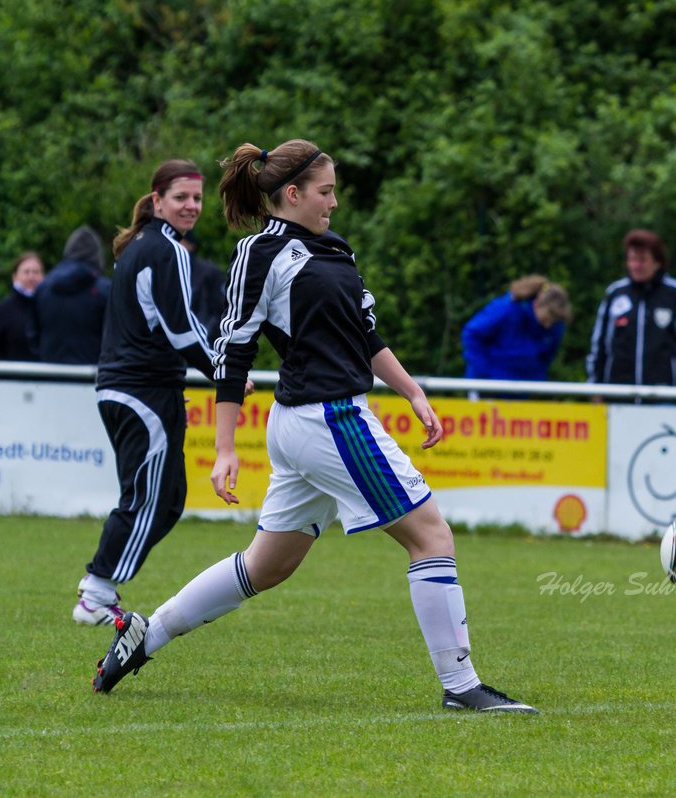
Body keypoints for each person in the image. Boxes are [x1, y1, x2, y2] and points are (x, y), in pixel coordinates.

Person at [90, 139, 538, 714]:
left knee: (265, 566)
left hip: (313, 421)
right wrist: (224, 448)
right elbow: (234, 349)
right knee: (432, 537)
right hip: (328, 418)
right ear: (293, 194)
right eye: (325, 192)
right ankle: (461, 686)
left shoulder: (334, 250)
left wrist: (413, 392)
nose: (333, 203)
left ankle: (145, 636)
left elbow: (367, 334)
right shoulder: (260, 252)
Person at [72, 160, 224, 625]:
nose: (191, 206)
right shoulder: (165, 249)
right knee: (146, 499)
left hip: (129, 389)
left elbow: (177, 324)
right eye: (181, 197)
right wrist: (225, 370)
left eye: (197, 198)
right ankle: (96, 592)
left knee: (169, 497)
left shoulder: (141, 247)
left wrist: (218, 360)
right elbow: (182, 331)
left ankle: (100, 588)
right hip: (142, 391)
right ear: (157, 201)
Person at [586, 229, 676, 388]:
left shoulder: (675, 293)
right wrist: (595, 387)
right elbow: (599, 345)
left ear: (657, 262)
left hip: (664, 396)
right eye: (632, 259)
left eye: (642, 260)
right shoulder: (615, 293)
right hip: (618, 394)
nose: (636, 266)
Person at [461, 275, 570, 382]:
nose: (548, 325)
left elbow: (547, 358)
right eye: (546, 319)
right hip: (487, 386)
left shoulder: (556, 326)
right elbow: (472, 334)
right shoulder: (506, 309)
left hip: (522, 390)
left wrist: (536, 380)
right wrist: (483, 374)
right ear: (537, 305)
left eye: (553, 322)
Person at [33, 225, 111, 365]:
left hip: (49, 373)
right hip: (91, 375)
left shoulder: (43, 288)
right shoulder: (104, 290)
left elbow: (32, 335)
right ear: (97, 255)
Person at [0, 251, 44, 361]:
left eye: (36, 272)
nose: (31, 277)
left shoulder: (50, 309)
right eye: (26, 272)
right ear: (15, 277)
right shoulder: (2, 310)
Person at [177, 233, 227, 340]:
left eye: (180, 241)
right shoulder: (170, 272)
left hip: (208, 341)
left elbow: (223, 308)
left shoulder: (208, 272)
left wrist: (208, 334)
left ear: (191, 245)